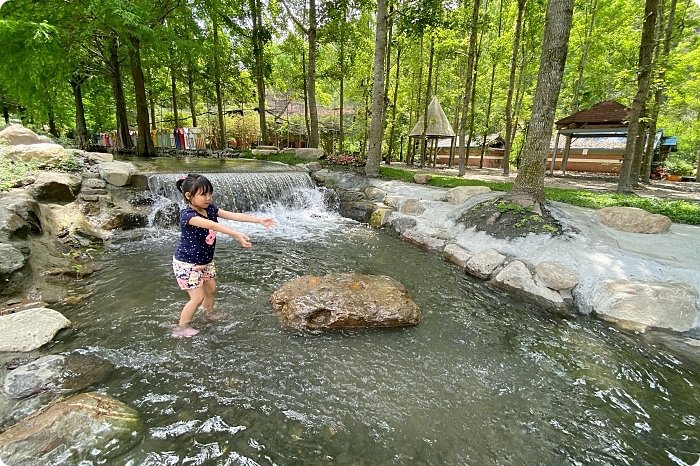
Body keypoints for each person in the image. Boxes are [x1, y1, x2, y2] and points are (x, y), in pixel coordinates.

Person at [172, 173, 276, 337]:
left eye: (209, 193)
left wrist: (258, 221)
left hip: (205, 261)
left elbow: (234, 215)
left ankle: (208, 314)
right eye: (203, 194)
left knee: (211, 289)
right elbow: (212, 225)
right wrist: (236, 234)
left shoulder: (210, 209)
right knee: (197, 297)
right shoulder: (187, 216)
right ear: (188, 196)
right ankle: (181, 328)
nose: (208, 198)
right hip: (187, 264)